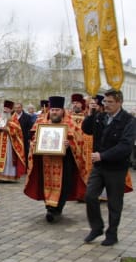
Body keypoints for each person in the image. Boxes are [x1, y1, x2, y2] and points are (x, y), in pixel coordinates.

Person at [82, 89, 135, 246]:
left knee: (114, 202)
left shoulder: (129, 121)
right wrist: (91, 113)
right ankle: (97, 227)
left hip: (116, 168)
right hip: (99, 166)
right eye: (105, 101)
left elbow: (125, 146)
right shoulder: (101, 116)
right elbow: (87, 129)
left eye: (110, 102)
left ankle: (112, 234)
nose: (106, 105)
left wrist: (103, 155)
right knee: (90, 196)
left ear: (119, 102)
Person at [24, 96, 88, 223]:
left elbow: (80, 141)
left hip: (65, 162)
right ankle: (49, 207)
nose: (54, 112)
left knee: (64, 185)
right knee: (45, 183)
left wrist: (70, 144)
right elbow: (32, 138)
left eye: (57, 110)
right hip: (45, 161)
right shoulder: (40, 122)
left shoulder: (70, 123)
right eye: (52, 109)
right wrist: (34, 143)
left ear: (62, 111)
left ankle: (57, 209)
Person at [0, 100, 26, 182]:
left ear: (11, 110)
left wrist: (7, 129)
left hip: (7, 142)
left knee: (7, 159)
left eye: (7, 109)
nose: (5, 110)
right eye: (4, 108)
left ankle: (6, 176)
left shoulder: (13, 118)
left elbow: (17, 131)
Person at [14, 102, 33, 166]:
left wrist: (29, 137)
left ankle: (25, 166)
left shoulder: (27, 117)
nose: (17, 109)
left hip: (24, 138)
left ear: (22, 108)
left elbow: (30, 128)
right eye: (16, 108)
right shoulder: (12, 117)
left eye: (18, 108)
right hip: (14, 138)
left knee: (25, 152)